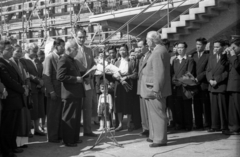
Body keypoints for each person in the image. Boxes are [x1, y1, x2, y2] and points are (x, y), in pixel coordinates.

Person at [140, 31, 171, 147]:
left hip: (154, 89)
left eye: (147, 39)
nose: (146, 42)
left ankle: (160, 139)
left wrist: (157, 89)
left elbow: (160, 73)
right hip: (150, 88)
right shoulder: (158, 50)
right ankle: (153, 136)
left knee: (158, 114)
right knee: (153, 114)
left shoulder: (158, 52)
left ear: (152, 40)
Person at [0, 40, 28, 157]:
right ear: (1, 51)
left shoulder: (9, 62)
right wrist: (22, 89)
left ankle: (12, 146)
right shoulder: (1, 63)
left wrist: (23, 85)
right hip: (9, 100)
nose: (12, 50)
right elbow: (9, 81)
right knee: (7, 127)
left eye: (12, 48)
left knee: (14, 126)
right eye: (9, 49)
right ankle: (6, 151)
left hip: (16, 99)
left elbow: (17, 77)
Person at [57, 39, 84, 147]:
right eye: (75, 49)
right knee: (69, 117)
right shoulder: (63, 60)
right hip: (69, 93)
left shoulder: (72, 60)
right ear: (69, 49)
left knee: (76, 117)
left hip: (76, 93)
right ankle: (68, 140)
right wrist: (75, 79)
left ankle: (74, 138)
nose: (77, 51)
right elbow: (60, 76)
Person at [74, 29, 98, 137]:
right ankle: (76, 132)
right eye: (79, 37)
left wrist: (91, 74)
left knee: (88, 106)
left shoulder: (89, 50)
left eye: (83, 37)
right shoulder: (73, 50)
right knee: (77, 107)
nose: (81, 39)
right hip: (77, 82)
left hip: (88, 82)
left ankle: (88, 130)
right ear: (76, 37)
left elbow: (93, 64)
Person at [20, 43, 45, 136]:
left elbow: (41, 71)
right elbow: (26, 73)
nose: (35, 53)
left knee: (38, 109)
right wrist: (38, 81)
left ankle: (37, 128)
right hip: (31, 88)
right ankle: (29, 129)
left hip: (39, 88)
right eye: (34, 51)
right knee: (31, 109)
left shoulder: (36, 60)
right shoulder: (23, 60)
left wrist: (41, 81)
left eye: (36, 51)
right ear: (27, 50)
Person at [43, 38, 65, 143]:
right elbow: (46, 76)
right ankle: (52, 137)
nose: (64, 48)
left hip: (61, 92)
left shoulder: (62, 57)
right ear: (56, 47)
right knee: (52, 115)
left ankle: (59, 135)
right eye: (62, 46)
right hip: (54, 92)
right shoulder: (50, 57)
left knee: (59, 115)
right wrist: (51, 91)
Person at [9, 45, 31, 149]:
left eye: (20, 51)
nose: (19, 53)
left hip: (24, 92)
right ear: (12, 52)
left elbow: (26, 76)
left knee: (24, 117)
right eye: (17, 51)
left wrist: (26, 86)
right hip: (16, 93)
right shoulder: (10, 63)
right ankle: (16, 143)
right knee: (17, 119)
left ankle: (22, 142)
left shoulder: (21, 63)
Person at [113, 43, 137, 132]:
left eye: (124, 50)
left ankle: (128, 124)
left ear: (127, 51)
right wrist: (119, 78)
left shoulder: (131, 61)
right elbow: (113, 73)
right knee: (118, 104)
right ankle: (120, 124)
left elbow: (135, 74)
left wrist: (126, 77)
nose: (122, 52)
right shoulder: (116, 62)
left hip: (128, 85)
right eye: (121, 50)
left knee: (128, 103)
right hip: (118, 85)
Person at [171, 42, 195, 131]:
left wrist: (180, 82)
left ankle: (188, 125)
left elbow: (189, 73)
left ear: (185, 49)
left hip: (186, 87)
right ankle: (179, 124)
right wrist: (174, 81)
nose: (180, 49)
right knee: (178, 107)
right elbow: (172, 73)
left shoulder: (189, 60)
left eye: (181, 48)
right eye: (178, 48)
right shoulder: (175, 60)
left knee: (187, 107)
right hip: (176, 87)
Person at [206, 40, 229, 132]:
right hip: (212, 85)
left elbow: (227, 72)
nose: (215, 49)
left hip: (221, 85)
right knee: (213, 107)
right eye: (214, 47)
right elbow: (208, 70)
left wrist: (217, 80)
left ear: (223, 47)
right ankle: (215, 126)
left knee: (222, 107)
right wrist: (210, 80)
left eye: (217, 47)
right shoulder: (211, 57)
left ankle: (224, 126)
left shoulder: (226, 58)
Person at [192, 37, 211, 130]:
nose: (197, 46)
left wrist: (197, 78)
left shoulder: (208, 55)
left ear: (204, 45)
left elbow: (207, 70)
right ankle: (198, 124)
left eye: (199, 45)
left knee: (205, 105)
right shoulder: (193, 55)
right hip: (194, 84)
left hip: (203, 83)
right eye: (197, 44)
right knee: (196, 104)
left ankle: (207, 124)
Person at [223, 39, 240, 135]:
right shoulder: (234, 57)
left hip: (237, 86)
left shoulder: (236, 57)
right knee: (233, 110)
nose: (232, 49)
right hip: (231, 86)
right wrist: (224, 54)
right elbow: (223, 63)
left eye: (234, 47)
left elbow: (237, 65)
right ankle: (234, 128)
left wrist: (233, 54)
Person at [137, 40, 151, 136]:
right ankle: (145, 128)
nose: (139, 49)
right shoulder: (141, 57)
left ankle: (150, 128)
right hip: (140, 86)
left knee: (148, 109)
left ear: (146, 46)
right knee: (143, 110)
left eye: (140, 46)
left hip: (147, 86)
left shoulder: (151, 55)